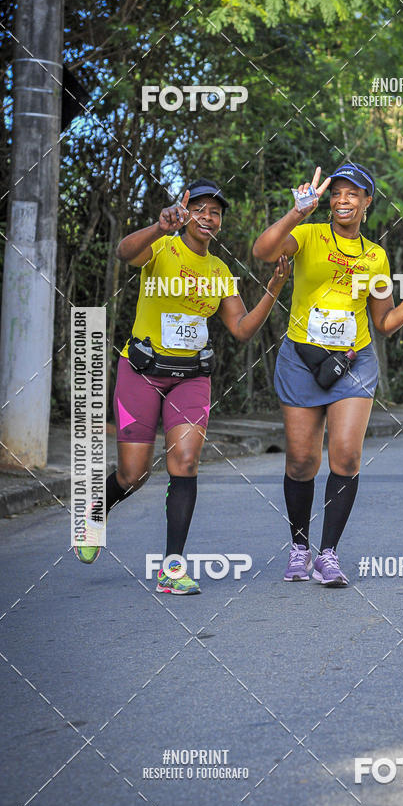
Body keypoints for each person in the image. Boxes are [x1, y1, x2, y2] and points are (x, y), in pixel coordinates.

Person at [74, 178, 289, 595]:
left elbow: (242, 329)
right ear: (184, 210)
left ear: (220, 223)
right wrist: (159, 227)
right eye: (200, 208)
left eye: (216, 212)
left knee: (185, 462)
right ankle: (95, 512)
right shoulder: (162, 247)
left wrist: (273, 291)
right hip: (141, 372)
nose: (207, 217)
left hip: (191, 378)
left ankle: (172, 567)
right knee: (134, 474)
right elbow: (124, 252)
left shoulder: (220, 271)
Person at [252, 163, 403, 587]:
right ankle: (299, 546)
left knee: (347, 455)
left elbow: (385, 322)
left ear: (367, 202)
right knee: (302, 460)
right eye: (337, 192)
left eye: (353, 193)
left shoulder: (375, 255)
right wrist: (296, 212)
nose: (343, 199)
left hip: (354, 363)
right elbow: (263, 252)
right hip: (301, 358)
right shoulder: (307, 235)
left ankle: (328, 555)